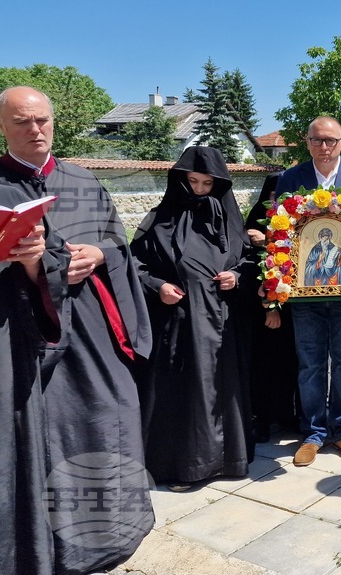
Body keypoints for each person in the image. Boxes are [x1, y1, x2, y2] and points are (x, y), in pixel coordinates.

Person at [0, 86, 154, 574]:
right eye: (22, 123)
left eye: (42, 121)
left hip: (95, 333)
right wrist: (45, 269)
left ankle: (115, 529)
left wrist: (99, 255)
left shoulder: (81, 178)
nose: (35, 130)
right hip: (27, 342)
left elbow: (119, 243)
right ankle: (55, 546)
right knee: (51, 437)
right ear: (2, 127)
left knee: (112, 415)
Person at [0, 106, 68, 575]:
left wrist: (33, 260)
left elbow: (51, 276)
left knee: (9, 470)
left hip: (1, 357)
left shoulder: (3, 197)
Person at [130, 146, 257, 486]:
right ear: (181, 179)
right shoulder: (160, 219)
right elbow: (135, 267)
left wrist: (238, 276)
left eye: (207, 183)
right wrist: (158, 286)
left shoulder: (229, 220)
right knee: (184, 393)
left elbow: (248, 260)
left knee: (222, 389)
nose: (200, 190)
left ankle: (229, 460)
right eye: (193, 181)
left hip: (222, 323)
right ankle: (186, 466)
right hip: (180, 324)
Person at [275, 116, 341, 466]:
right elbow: (282, 232)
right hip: (305, 295)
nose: (324, 147)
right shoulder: (291, 178)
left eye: (330, 140)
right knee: (310, 364)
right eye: (317, 140)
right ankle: (314, 433)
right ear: (307, 142)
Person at [244, 171, 299, 442]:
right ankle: (262, 418)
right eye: (275, 194)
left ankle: (289, 415)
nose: (278, 200)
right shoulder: (254, 223)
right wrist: (269, 306)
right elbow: (250, 265)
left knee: (293, 362)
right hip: (264, 310)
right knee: (264, 364)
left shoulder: (299, 220)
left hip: (295, 308)